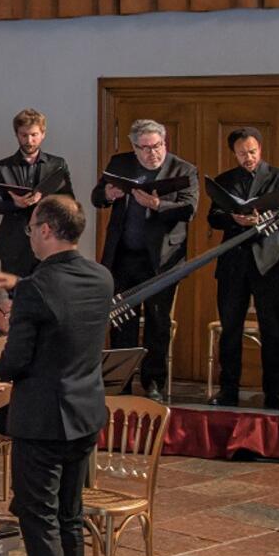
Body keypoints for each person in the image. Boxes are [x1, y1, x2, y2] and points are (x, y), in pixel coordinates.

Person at [0, 196, 111, 556]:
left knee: (39, 519)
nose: (28, 234)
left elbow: (15, 363)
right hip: (85, 414)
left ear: (49, 229)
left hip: (43, 419)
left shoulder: (36, 288)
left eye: (33, 227)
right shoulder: (100, 276)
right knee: (70, 517)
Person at [92, 119, 197, 395]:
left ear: (165, 143)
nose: (153, 153)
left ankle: (153, 383)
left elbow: (189, 208)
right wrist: (108, 193)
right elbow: (96, 198)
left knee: (157, 322)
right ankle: (120, 383)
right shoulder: (120, 163)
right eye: (146, 148)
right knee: (122, 321)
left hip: (162, 260)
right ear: (135, 148)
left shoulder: (182, 169)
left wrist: (158, 204)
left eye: (158, 146)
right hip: (124, 257)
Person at [207, 128, 279, 409]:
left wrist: (262, 218)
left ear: (260, 149)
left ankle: (274, 391)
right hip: (233, 263)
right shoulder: (224, 181)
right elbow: (214, 217)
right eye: (243, 153)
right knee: (231, 327)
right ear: (235, 153)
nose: (248, 157)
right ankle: (228, 389)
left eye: (253, 151)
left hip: (269, 262)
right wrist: (235, 219)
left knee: (272, 328)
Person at [0, 109, 74, 278]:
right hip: (14, 241)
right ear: (17, 134)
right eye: (24, 135)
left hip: (49, 239)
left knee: (48, 292)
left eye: (34, 135)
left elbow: (69, 201)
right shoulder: (1, 167)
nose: (29, 140)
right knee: (13, 296)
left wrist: (42, 199)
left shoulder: (57, 164)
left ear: (43, 134)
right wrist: (16, 203)